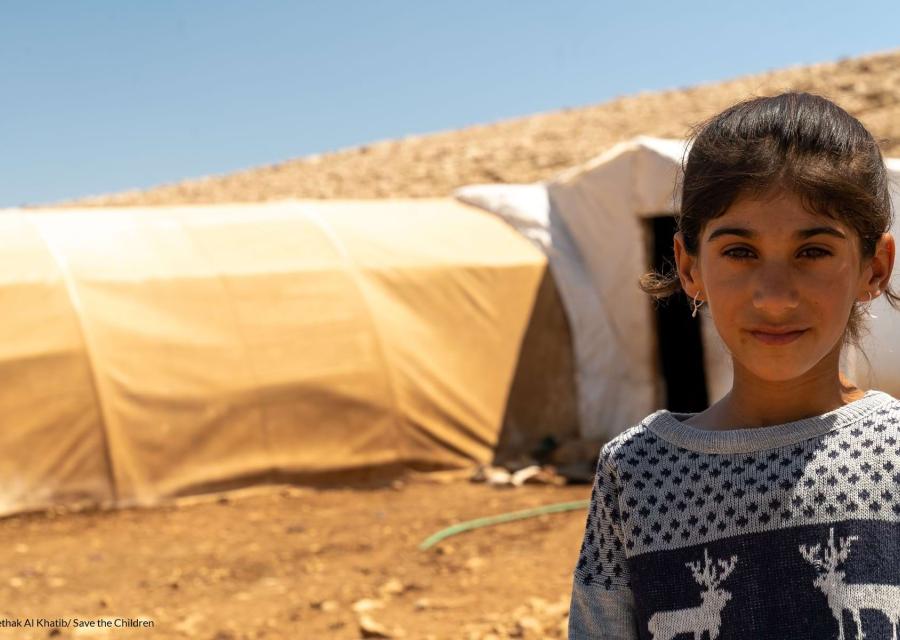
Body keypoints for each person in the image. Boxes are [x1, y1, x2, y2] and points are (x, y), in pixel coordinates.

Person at [568, 92, 900, 639]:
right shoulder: (636, 475)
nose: (774, 297)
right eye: (739, 252)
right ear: (689, 267)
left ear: (874, 268)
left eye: (813, 251)